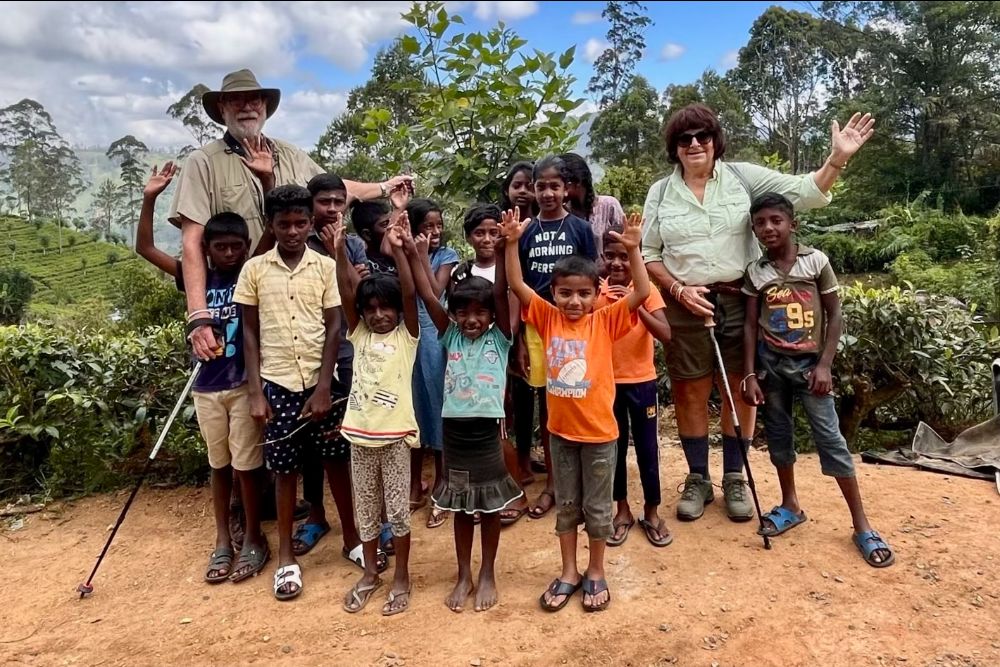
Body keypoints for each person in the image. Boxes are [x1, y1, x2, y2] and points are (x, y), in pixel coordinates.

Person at [641, 103, 875, 523]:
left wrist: (838, 158)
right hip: (684, 302)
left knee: (739, 386)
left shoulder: (741, 177)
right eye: (684, 139)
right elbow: (649, 253)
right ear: (673, 148)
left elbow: (805, 190)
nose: (694, 144)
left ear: (715, 141)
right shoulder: (660, 192)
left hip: (740, 297)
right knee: (689, 389)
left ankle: (734, 476)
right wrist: (676, 288)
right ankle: (698, 478)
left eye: (702, 136)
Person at [168, 68, 412, 364]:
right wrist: (199, 316)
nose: (247, 107)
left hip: (296, 296)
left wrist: (385, 187)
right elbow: (192, 241)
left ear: (265, 107)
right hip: (237, 302)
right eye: (237, 100)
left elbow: (334, 187)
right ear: (222, 108)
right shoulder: (203, 162)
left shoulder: (289, 154)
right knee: (240, 388)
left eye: (254, 100)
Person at [503, 207, 649, 613]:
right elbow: (517, 284)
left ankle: (596, 570)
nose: (574, 301)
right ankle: (569, 572)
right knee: (567, 506)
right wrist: (513, 242)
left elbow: (639, 293)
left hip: (601, 436)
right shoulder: (548, 319)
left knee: (598, 510)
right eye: (565, 292)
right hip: (561, 436)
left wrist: (634, 251)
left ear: (597, 292)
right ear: (553, 293)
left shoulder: (604, 321)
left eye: (584, 293)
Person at [741, 193, 894, 568]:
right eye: (760, 223)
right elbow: (748, 325)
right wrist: (749, 374)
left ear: (792, 223)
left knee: (830, 439)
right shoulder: (756, 271)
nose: (768, 228)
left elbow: (834, 314)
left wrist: (825, 363)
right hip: (771, 368)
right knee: (779, 434)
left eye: (776, 220)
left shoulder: (815, 262)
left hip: (811, 368)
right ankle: (790, 503)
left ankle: (862, 525)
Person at [137, 163, 268, 584]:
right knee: (220, 464)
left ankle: (253, 537)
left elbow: (272, 232)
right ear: (206, 249)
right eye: (221, 247)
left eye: (236, 247)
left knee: (248, 465)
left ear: (246, 247)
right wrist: (150, 198)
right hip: (207, 387)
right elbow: (145, 249)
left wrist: (266, 181)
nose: (229, 254)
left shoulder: (253, 272)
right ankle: (222, 539)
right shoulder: (195, 276)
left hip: (246, 384)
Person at [234, 185, 346, 601]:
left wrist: (322, 387)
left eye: (301, 223)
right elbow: (249, 330)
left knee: (336, 460)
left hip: (320, 382)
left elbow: (335, 326)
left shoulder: (323, 265)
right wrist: (254, 391)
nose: (293, 231)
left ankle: (351, 539)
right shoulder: (255, 270)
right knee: (284, 471)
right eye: (284, 224)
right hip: (276, 382)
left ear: (310, 223)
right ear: (271, 225)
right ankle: (285, 555)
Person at [405, 220, 521, 612]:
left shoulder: (500, 335)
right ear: (453, 315)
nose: (472, 320)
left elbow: (503, 293)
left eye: (479, 313)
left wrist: (507, 247)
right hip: (454, 434)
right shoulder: (449, 333)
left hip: (487, 433)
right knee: (459, 507)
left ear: (490, 316)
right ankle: (463, 574)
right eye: (463, 313)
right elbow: (425, 291)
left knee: (488, 506)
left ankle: (487, 571)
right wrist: (411, 250)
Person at [287, 173, 389, 574]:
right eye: (324, 202)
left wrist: (339, 253)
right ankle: (316, 515)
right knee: (313, 442)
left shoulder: (353, 243)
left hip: (348, 351)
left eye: (338, 202)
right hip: (304, 355)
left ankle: (372, 519)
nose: (331, 209)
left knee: (360, 437)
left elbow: (357, 294)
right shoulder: (295, 243)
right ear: (311, 204)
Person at [330, 214, 420, 617]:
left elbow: (410, 294)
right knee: (366, 510)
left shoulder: (406, 336)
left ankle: (401, 575)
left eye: (387, 307)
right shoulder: (359, 333)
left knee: (398, 511)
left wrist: (400, 249)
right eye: (372, 309)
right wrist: (337, 251)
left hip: (396, 438)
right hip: (359, 439)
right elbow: (346, 293)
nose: (380, 314)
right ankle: (370, 573)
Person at [514, 155, 598, 521]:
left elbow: (595, 282)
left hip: (577, 330)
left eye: (554, 186)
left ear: (567, 189)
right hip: (538, 327)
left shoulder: (579, 228)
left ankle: (581, 482)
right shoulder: (527, 231)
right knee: (548, 407)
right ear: (532, 189)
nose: (547, 193)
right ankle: (553, 486)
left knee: (577, 398)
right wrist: (517, 336)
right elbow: (516, 284)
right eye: (541, 186)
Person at [450, 203, 532, 525]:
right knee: (478, 434)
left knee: (500, 430)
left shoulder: (508, 266)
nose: (486, 238)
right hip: (466, 366)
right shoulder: (461, 273)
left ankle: (517, 494)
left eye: (492, 232)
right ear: (469, 237)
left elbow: (510, 315)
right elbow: (455, 315)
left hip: (496, 362)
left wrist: (514, 347)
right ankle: (478, 497)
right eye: (479, 232)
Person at [597, 226, 673, 549]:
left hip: (641, 383)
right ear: (602, 257)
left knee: (646, 448)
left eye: (624, 256)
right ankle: (622, 510)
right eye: (610, 256)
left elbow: (665, 334)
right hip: (606, 385)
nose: (617, 263)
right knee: (613, 450)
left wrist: (634, 304)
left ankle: (653, 512)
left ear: (636, 256)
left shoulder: (647, 290)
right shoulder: (594, 293)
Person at [405, 198, 459, 529]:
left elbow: (436, 291)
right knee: (413, 409)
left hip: (437, 338)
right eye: (427, 226)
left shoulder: (446, 256)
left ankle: (442, 480)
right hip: (409, 339)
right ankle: (414, 482)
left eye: (438, 225)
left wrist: (421, 255)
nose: (435, 232)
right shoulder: (402, 249)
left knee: (439, 407)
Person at [558, 152, 625, 258]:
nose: (558, 190)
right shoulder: (561, 212)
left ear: (578, 182)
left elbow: (625, 244)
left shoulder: (609, 206)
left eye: (561, 183)